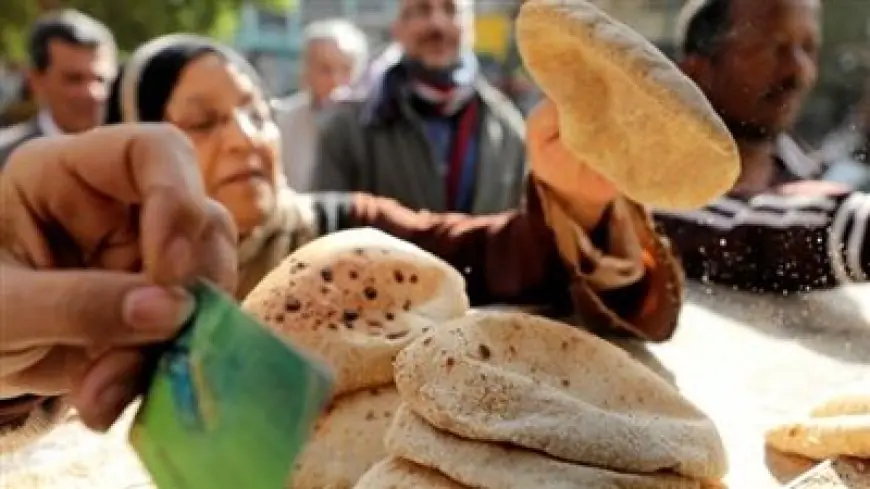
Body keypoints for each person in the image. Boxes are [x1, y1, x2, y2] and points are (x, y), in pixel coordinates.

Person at [0, 33, 683, 442]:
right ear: (134, 142)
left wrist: (578, 197)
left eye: (255, 112)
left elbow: (493, 256)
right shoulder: (84, 271)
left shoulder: (342, 234)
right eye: (203, 120)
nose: (244, 137)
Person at [647, 0, 870, 292]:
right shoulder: (644, 180)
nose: (799, 71)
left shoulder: (810, 177)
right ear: (697, 70)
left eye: (809, 48)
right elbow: (731, 229)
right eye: (772, 47)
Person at [312, 0, 527, 215]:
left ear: (470, 24)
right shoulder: (351, 127)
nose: (437, 24)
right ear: (398, 27)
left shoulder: (509, 130)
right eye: (422, 10)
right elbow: (327, 230)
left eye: (450, 9)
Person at [0, 10, 117, 167]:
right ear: (36, 81)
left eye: (101, 80)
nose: (92, 93)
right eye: (74, 79)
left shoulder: (131, 161)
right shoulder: (7, 160)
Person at [272, 19, 369, 191]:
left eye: (346, 70)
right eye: (325, 69)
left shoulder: (376, 126)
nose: (336, 81)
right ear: (306, 73)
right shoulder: (281, 122)